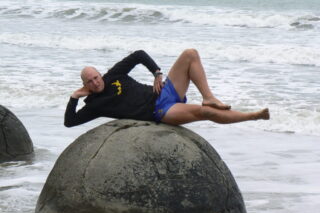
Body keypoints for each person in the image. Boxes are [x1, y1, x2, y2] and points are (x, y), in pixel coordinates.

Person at [64, 49, 269, 127]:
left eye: (96, 77)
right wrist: (74, 97)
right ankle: (252, 116)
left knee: (190, 54)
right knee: (205, 112)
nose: (95, 82)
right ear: (85, 85)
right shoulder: (95, 105)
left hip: (165, 92)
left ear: (100, 74)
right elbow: (70, 122)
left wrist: (156, 73)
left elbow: (139, 55)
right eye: (89, 81)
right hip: (161, 111)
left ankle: (208, 95)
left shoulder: (113, 76)